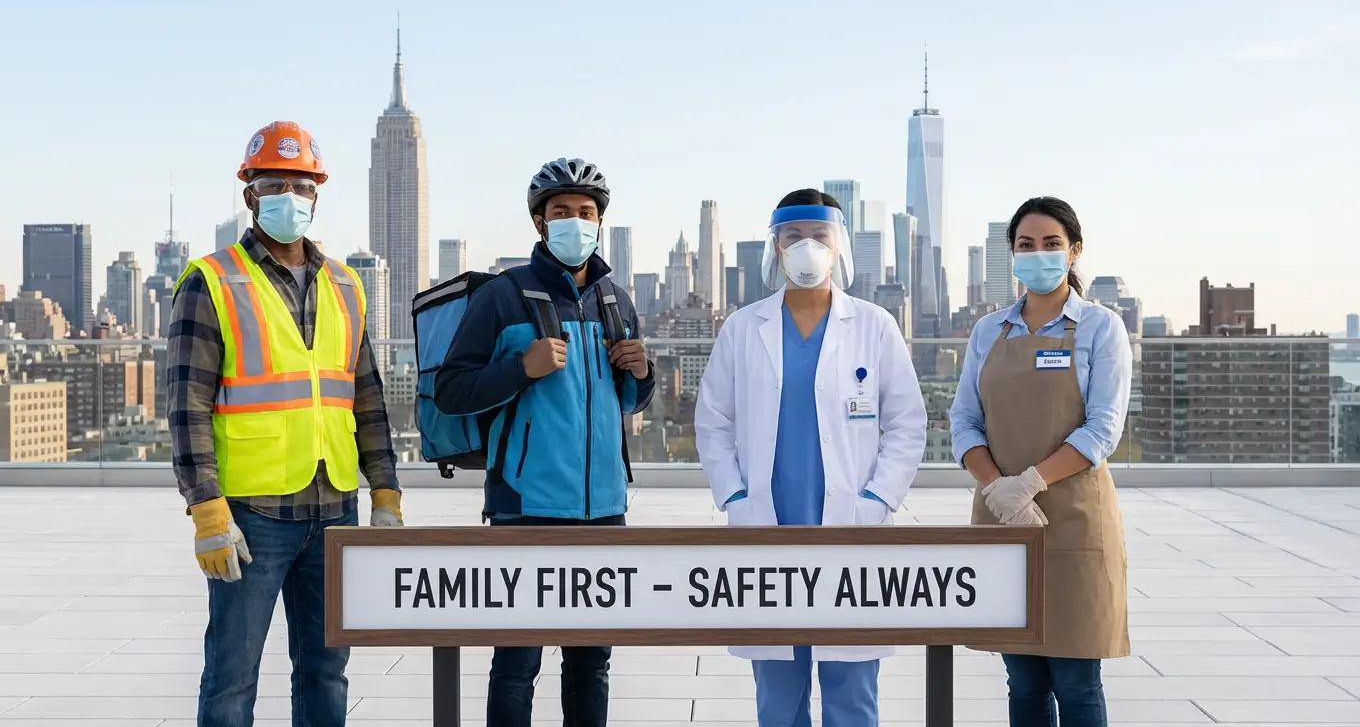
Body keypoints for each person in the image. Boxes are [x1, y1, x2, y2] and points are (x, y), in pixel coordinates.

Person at [168, 120, 404, 727]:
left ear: (317, 194)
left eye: (302, 186)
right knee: (231, 679)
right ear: (250, 194)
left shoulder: (347, 285)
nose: (291, 198)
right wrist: (208, 512)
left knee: (327, 671)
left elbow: (367, 398)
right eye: (276, 185)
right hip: (252, 515)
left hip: (333, 508)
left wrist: (386, 493)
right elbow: (186, 407)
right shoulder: (212, 281)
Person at [433, 158, 656, 727]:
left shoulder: (616, 299)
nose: (574, 223)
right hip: (524, 506)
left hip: (605, 508)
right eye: (562, 213)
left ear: (600, 222)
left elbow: (624, 404)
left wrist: (642, 375)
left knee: (592, 662)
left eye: (586, 213)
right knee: (517, 662)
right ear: (539, 222)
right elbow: (452, 391)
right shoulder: (504, 296)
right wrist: (520, 369)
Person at [695, 189, 928, 727]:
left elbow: (908, 423)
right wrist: (735, 496)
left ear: (838, 245)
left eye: (818, 237)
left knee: (852, 695)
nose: (806, 247)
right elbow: (712, 422)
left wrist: (876, 500)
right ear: (774, 247)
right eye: (792, 237)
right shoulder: (742, 327)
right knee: (778, 697)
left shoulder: (873, 325)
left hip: (851, 529)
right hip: (766, 528)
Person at [949, 196, 1132, 727]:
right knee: (1023, 681)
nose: (1038, 254)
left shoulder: (1101, 328)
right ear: (1011, 255)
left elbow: (1103, 428)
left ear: (1074, 252)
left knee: (1076, 679)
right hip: (1002, 517)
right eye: (1025, 245)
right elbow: (964, 422)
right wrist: (999, 491)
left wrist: (1029, 482)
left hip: (1072, 521)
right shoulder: (989, 332)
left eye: (1051, 244)